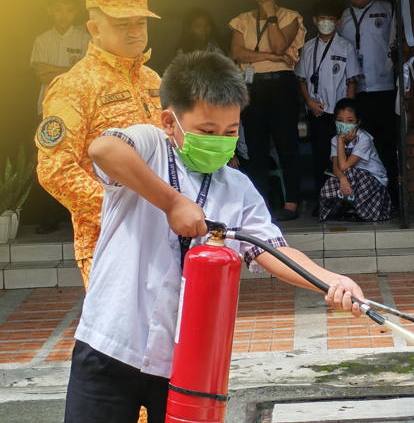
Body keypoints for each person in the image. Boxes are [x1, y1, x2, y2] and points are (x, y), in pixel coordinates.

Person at [64, 52, 367, 422]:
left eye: (230, 132)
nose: (220, 141)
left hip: (186, 359)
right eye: (207, 132)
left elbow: (272, 250)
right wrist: (172, 202)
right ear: (169, 121)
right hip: (110, 343)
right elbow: (103, 149)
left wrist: (329, 280)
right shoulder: (149, 145)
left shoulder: (237, 187)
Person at [35, 0, 163, 290]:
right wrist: (120, 212)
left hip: (163, 232)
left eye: (141, 22)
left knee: (166, 319)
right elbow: (55, 171)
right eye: (122, 23)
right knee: (117, 321)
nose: (135, 31)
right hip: (108, 238)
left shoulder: (152, 79)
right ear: (94, 28)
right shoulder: (74, 86)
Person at [230, 0, 306, 221]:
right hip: (252, 86)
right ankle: (261, 206)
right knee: (256, 149)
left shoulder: (289, 16)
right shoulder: (242, 20)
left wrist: (271, 15)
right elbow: (237, 53)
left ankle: (291, 203)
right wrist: (272, 58)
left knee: (286, 144)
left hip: (281, 86)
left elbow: (279, 46)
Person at [30, 0, 91, 234]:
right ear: (50, 11)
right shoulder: (42, 39)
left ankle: (81, 216)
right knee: (51, 161)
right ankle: (51, 217)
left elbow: (85, 72)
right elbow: (40, 74)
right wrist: (70, 69)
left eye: (69, 10)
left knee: (81, 162)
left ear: (76, 12)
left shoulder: (85, 39)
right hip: (49, 110)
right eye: (59, 10)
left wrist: (52, 68)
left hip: (81, 111)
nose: (64, 15)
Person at [295, 0, 363, 216]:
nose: (326, 22)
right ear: (315, 20)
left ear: (339, 22)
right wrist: (309, 102)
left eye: (331, 18)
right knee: (320, 156)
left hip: (339, 114)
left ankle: (344, 201)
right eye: (322, 18)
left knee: (342, 156)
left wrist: (348, 113)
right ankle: (322, 200)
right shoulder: (307, 47)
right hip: (317, 111)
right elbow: (301, 79)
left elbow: (351, 81)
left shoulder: (345, 46)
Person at [337, 0, 398, 202]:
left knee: (387, 144)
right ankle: (366, 197)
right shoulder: (342, 18)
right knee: (361, 148)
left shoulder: (387, 10)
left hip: (384, 89)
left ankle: (393, 196)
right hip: (356, 94)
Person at [319, 98, 392, 222]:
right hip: (351, 181)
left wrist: (341, 141)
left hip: (373, 184)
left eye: (350, 120)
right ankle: (354, 207)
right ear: (334, 121)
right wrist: (342, 179)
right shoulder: (334, 140)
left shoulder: (364, 139)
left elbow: (343, 166)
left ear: (358, 123)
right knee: (332, 182)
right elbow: (336, 168)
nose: (345, 124)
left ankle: (361, 207)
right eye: (340, 120)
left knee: (354, 172)